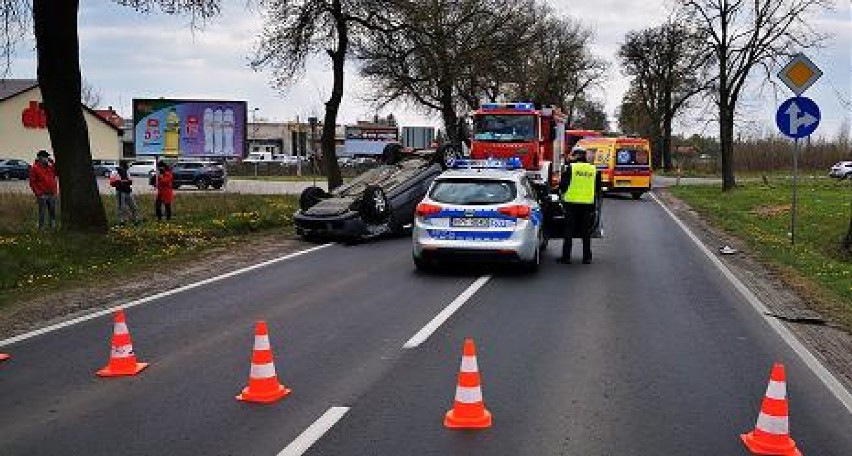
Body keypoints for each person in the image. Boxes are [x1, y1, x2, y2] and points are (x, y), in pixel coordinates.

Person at [558, 147, 602, 264]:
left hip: (571, 204)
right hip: (587, 205)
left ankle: (566, 257)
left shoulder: (570, 168)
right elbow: (598, 189)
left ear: (576, 156)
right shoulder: (594, 170)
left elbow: (562, 186)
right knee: (585, 231)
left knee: (569, 231)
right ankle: (587, 257)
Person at [28, 149, 58, 230]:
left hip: (52, 193)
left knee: (52, 211)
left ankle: (53, 227)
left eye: (47, 157)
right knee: (42, 212)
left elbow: (57, 172)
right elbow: (32, 182)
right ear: (40, 158)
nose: (47, 158)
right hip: (42, 194)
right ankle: (41, 228)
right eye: (45, 157)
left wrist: (53, 163)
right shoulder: (35, 168)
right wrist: (38, 193)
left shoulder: (50, 167)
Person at [110, 161, 140, 225]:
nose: (128, 166)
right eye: (127, 164)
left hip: (128, 191)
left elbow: (130, 182)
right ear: (123, 165)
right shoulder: (115, 172)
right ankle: (121, 221)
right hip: (120, 192)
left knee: (133, 206)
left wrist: (122, 182)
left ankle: (136, 220)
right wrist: (123, 182)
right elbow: (112, 183)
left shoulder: (127, 171)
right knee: (121, 207)